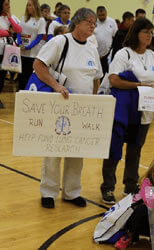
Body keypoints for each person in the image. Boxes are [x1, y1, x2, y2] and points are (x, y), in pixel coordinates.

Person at [34, 7, 103, 208]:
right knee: (54, 151)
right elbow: (39, 65)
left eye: (94, 23)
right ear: (77, 22)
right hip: (59, 105)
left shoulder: (92, 47)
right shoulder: (60, 41)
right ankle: (48, 192)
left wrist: (93, 99)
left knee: (77, 151)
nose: (92, 26)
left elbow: (96, 77)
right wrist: (56, 86)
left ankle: (72, 192)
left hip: (82, 108)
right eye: (89, 22)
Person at [99, 18, 154, 204]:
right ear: (136, 33)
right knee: (114, 150)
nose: (149, 35)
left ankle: (130, 185)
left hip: (144, 113)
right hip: (123, 111)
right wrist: (140, 85)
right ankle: (107, 187)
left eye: (151, 32)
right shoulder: (124, 54)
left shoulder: (153, 56)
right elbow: (114, 80)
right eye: (146, 32)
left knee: (135, 151)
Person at [18, 0, 45, 92]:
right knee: (21, 75)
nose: (28, 7)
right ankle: (20, 92)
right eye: (27, 5)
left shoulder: (41, 20)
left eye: (30, 5)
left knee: (29, 75)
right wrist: (19, 43)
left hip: (32, 53)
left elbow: (39, 37)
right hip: (21, 51)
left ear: (35, 7)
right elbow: (19, 31)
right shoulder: (23, 18)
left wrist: (27, 47)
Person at [0, 0, 21, 108]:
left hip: (6, 51)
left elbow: (18, 29)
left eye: (9, 4)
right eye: (6, 4)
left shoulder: (10, 17)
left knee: (2, 76)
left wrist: (9, 18)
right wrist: (8, 32)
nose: (8, 6)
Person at [94, 6, 117, 75]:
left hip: (107, 54)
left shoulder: (112, 22)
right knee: (95, 73)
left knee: (105, 73)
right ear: (97, 15)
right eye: (99, 15)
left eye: (103, 15)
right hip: (95, 53)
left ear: (106, 13)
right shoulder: (93, 22)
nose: (101, 17)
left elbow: (115, 36)